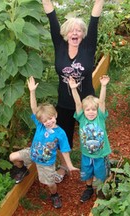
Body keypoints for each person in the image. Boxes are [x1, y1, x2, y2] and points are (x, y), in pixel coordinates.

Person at [41, 0, 105, 183]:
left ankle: (94, 167)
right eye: (71, 30)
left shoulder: (88, 46)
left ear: (83, 34)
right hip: (64, 103)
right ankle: (63, 166)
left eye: (78, 30)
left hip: (87, 103)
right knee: (64, 135)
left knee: (91, 135)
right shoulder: (59, 45)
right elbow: (51, 17)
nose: (75, 32)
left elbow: (94, 19)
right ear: (65, 34)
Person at [9, 76, 79, 209]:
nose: (48, 122)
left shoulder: (60, 133)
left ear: (55, 116)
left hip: (46, 162)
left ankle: (54, 195)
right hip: (32, 153)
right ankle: (23, 170)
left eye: (51, 118)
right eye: (45, 120)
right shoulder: (41, 125)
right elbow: (34, 108)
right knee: (13, 157)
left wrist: (69, 165)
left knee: (50, 184)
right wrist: (32, 92)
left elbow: (64, 151)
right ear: (41, 121)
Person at [68, 75, 111, 202]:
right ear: (84, 111)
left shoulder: (100, 118)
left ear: (98, 111)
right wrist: (74, 89)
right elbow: (77, 103)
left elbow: (102, 102)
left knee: (101, 174)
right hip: (87, 154)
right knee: (87, 172)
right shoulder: (82, 118)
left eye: (93, 109)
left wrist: (103, 86)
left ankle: (102, 189)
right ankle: (88, 188)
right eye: (88, 109)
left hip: (101, 154)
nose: (91, 112)